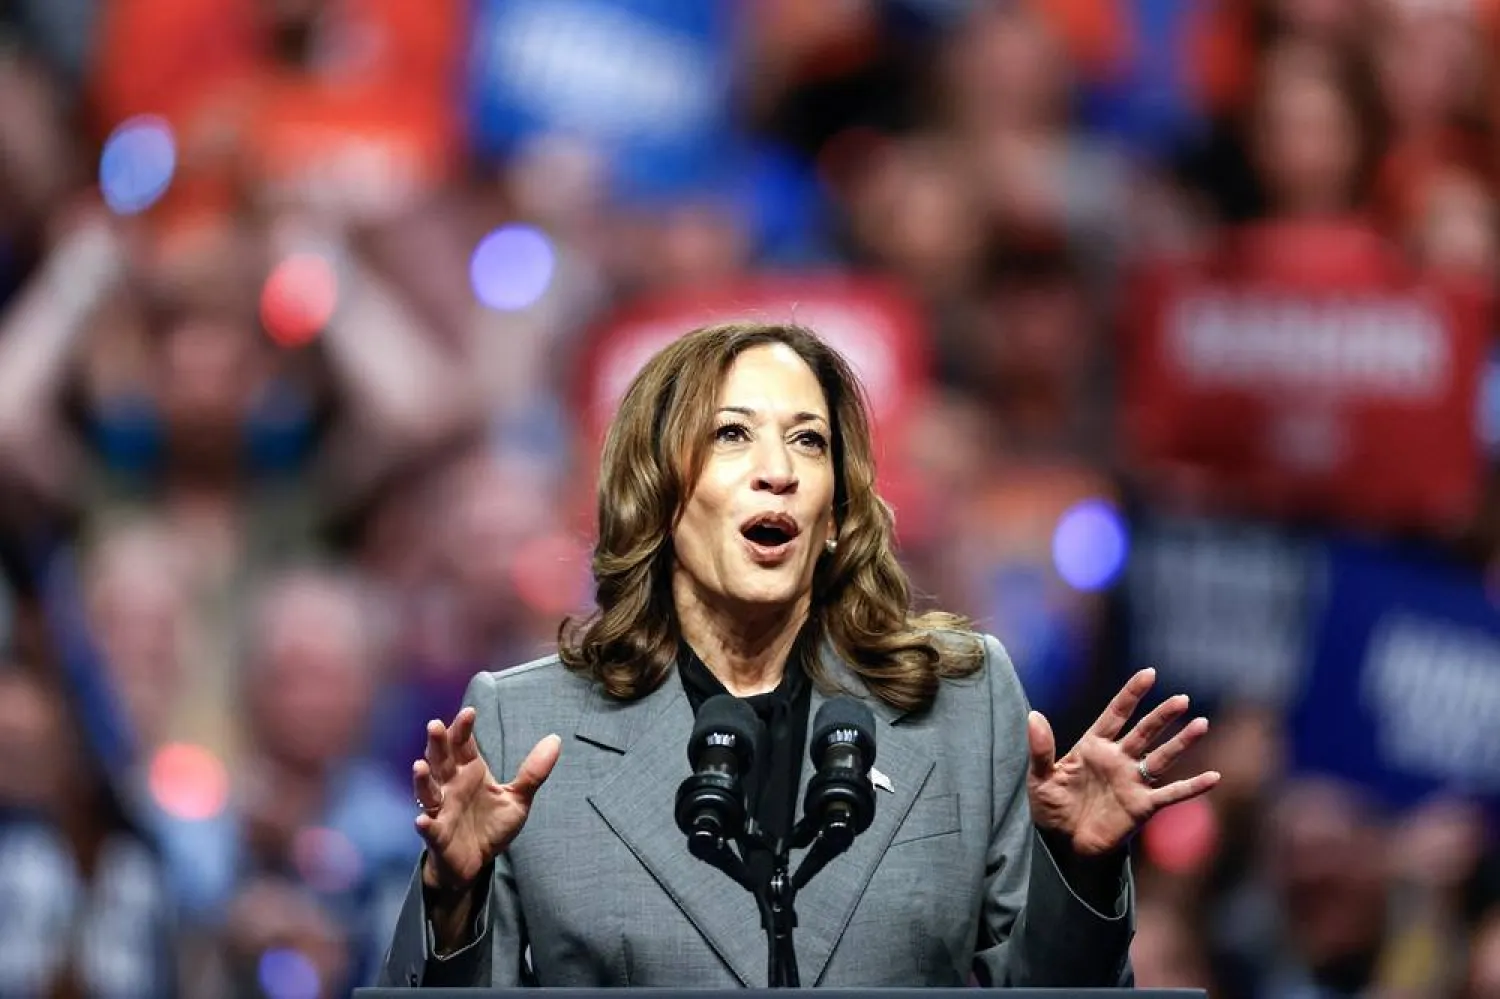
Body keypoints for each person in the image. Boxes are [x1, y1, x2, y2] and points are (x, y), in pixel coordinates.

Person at [379, 323, 1220, 987]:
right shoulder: (524, 724)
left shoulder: (962, 701)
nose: (777, 470)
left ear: (838, 513)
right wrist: (454, 900)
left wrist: (1077, 867)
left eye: (809, 442)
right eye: (732, 435)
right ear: (657, 492)